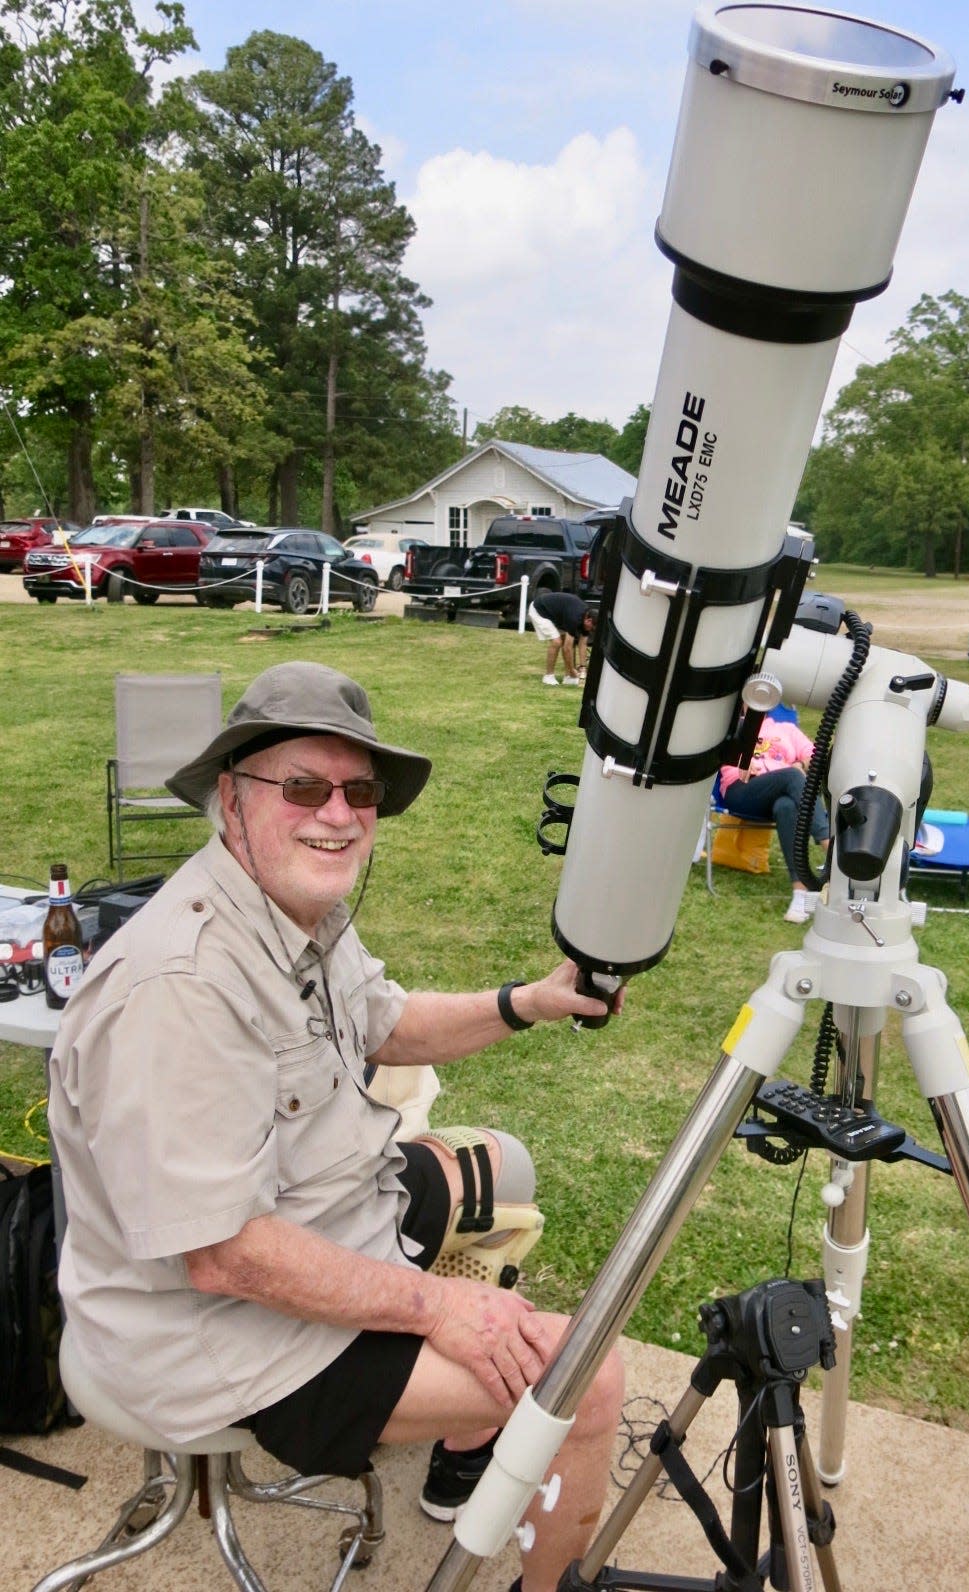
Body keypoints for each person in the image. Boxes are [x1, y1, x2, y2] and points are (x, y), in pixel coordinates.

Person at [47, 662, 624, 1592]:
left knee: (499, 1167)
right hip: (218, 1333)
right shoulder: (182, 989)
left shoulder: (296, 909)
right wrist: (444, 1307)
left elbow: (384, 1022)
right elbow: (224, 1257)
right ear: (229, 799)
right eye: (304, 787)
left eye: (361, 791)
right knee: (585, 1383)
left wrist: (532, 1002)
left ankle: (466, 1435)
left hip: (328, 1219)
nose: (340, 813)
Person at [716, 711, 829, 924]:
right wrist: (739, 759)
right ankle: (831, 847)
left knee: (787, 806)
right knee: (793, 776)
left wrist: (802, 764)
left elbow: (816, 754)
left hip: (778, 793)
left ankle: (800, 894)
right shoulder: (730, 727)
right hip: (743, 789)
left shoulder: (786, 729)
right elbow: (715, 753)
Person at [528, 591, 595, 685]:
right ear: (588, 621)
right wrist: (572, 669)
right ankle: (548, 676)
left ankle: (569, 677)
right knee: (557, 642)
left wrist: (583, 668)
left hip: (556, 614)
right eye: (591, 628)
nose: (591, 630)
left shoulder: (587, 618)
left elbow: (582, 644)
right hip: (539, 609)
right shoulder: (575, 618)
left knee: (565, 641)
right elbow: (567, 648)